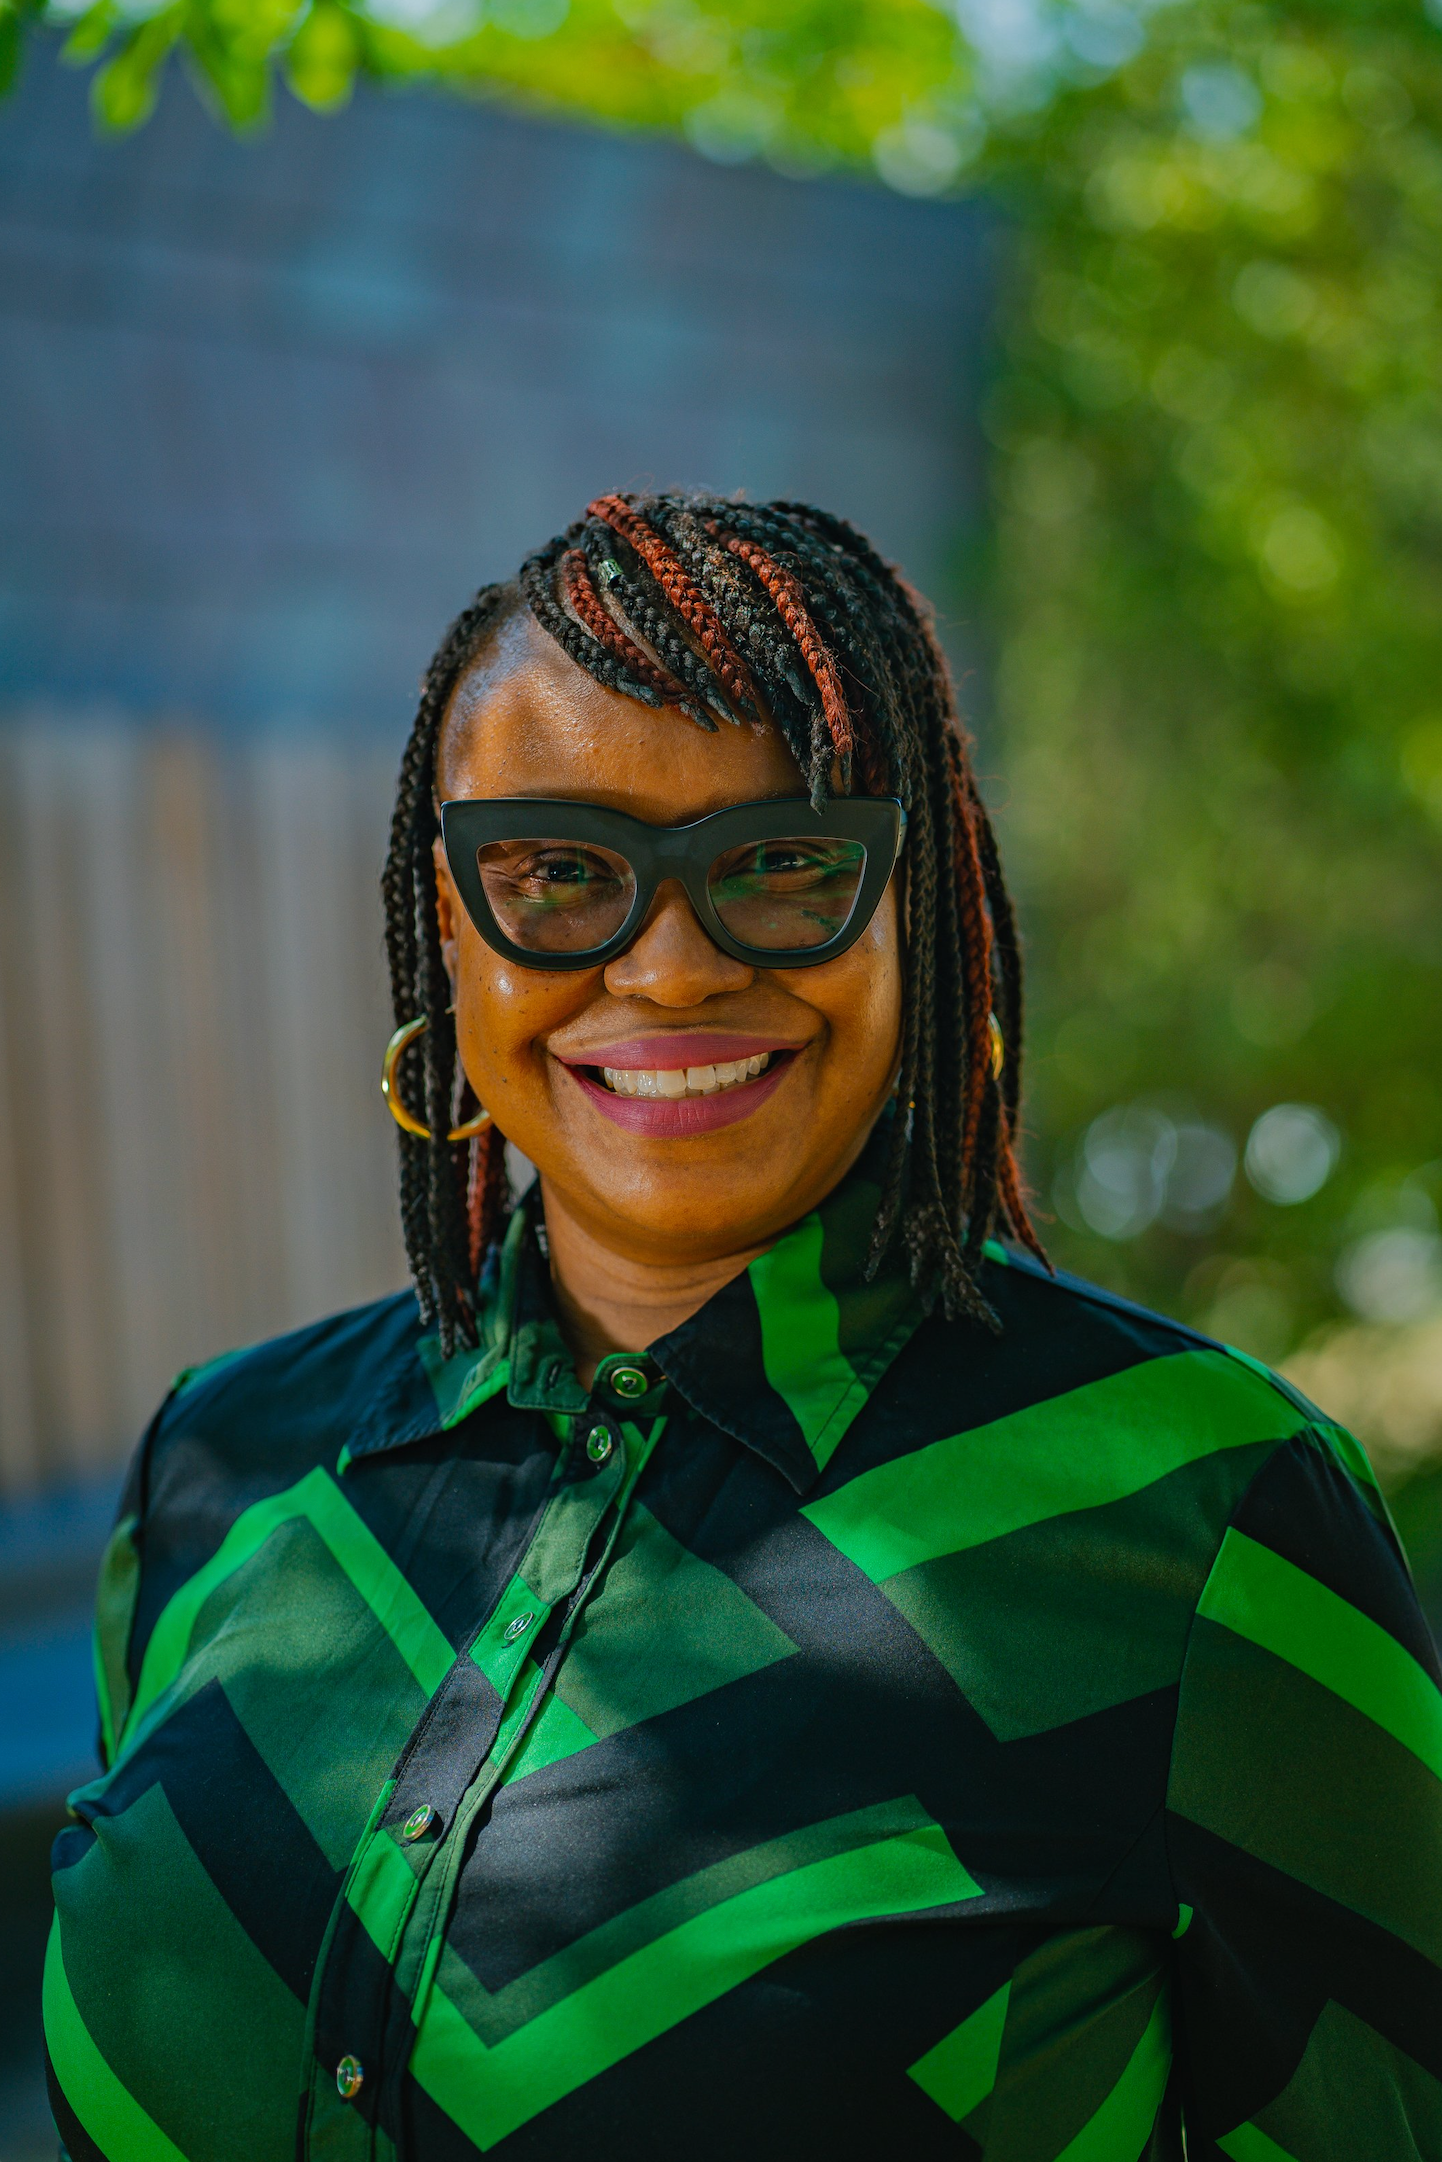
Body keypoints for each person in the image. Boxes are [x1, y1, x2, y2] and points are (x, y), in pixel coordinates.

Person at [45, 493, 1442, 2162]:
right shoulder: (224, 1460)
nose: (668, 965)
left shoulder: (1203, 1518)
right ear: (449, 926)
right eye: (560, 872)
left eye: (781, 865)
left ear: (915, 909)